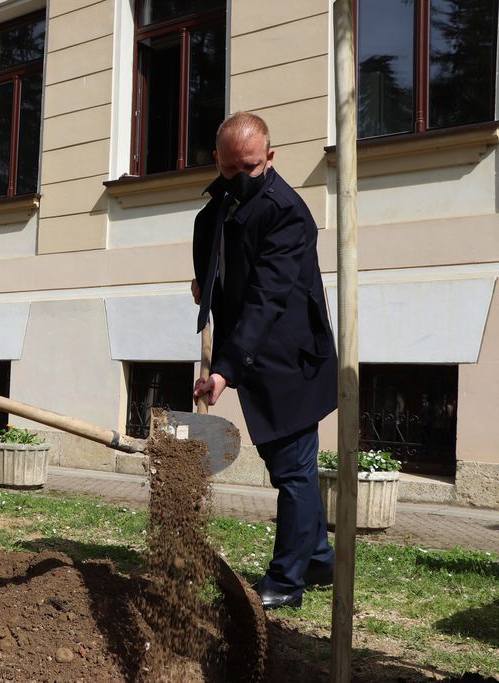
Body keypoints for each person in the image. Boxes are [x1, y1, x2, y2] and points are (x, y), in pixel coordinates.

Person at [191, 112, 337, 610]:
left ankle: (286, 580)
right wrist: (205, 287)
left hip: (290, 357)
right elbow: (215, 264)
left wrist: (225, 369)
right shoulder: (214, 209)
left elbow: (267, 296)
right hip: (254, 353)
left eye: (250, 167)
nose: (240, 178)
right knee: (289, 466)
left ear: (270, 158)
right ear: (218, 160)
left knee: (293, 471)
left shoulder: (287, 212)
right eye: (231, 168)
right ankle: (316, 557)